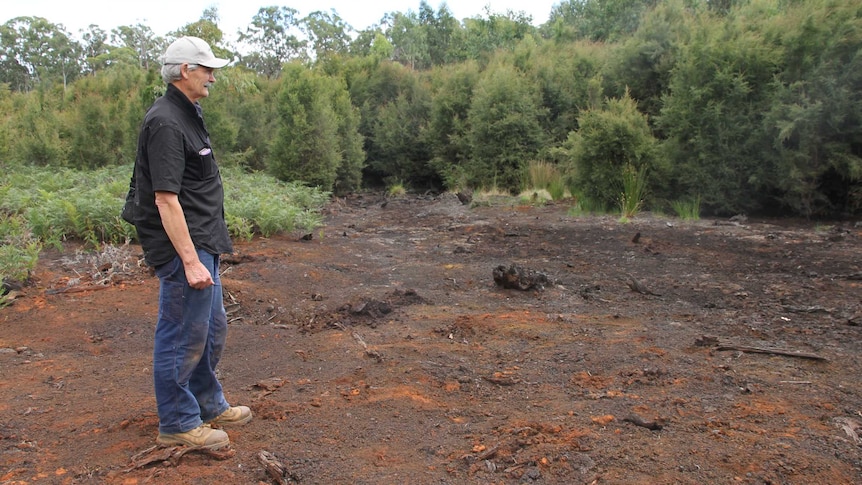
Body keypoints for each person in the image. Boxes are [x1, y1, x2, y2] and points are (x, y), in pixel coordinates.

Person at [129, 36, 251, 450]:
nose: (213, 76)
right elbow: (165, 199)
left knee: (210, 328)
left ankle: (206, 402)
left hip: (203, 239)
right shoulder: (165, 120)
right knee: (182, 332)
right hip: (185, 245)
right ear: (186, 71)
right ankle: (179, 423)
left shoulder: (188, 113)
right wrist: (190, 261)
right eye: (207, 69)